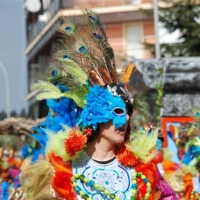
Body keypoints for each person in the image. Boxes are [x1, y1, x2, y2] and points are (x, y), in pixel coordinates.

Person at [19, 9, 177, 200]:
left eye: (128, 111)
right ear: (95, 116)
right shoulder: (63, 170)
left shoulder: (142, 168)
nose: (126, 118)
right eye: (118, 110)